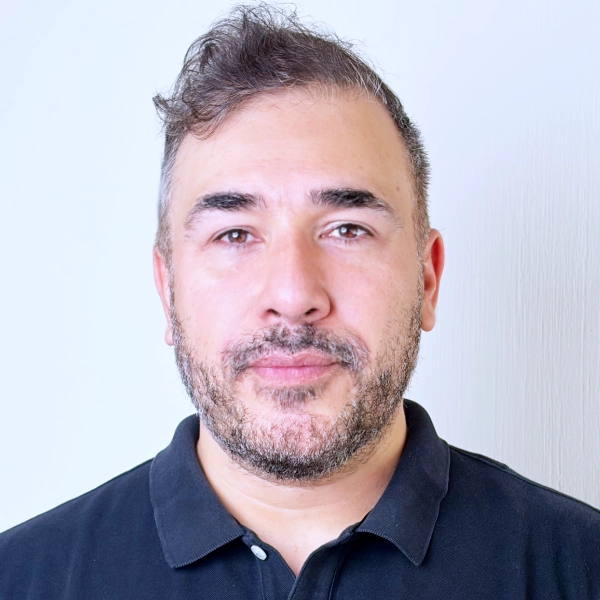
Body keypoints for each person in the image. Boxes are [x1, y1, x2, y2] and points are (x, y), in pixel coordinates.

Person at [1, 5, 598, 599]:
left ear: (428, 279)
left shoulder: (581, 568)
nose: (292, 298)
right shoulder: (21, 580)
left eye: (347, 230)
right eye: (235, 235)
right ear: (167, 289)